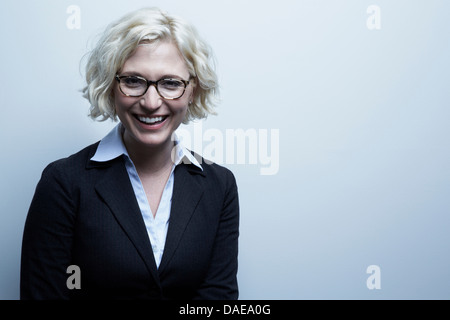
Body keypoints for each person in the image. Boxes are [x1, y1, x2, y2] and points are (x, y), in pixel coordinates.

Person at [20, 7, 239, 300]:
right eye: (133, 81)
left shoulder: (219, 185)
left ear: (192, 91)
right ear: (111, 85)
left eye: (170, 83)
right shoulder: (64, 182)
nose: (151, 102)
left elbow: (218, 298)